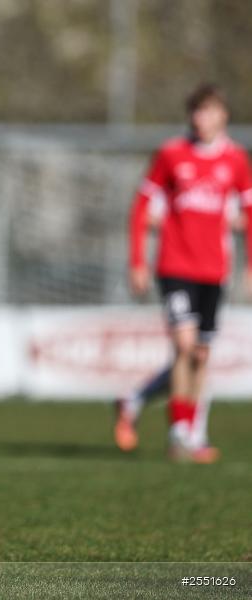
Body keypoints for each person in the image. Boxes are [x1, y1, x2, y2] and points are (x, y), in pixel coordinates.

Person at [124, 83, 252, 462]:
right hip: (175, 266)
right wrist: (137, 261)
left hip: (214, 270)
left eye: (210, 111)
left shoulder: (235, 160)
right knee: (183, 344)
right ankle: (179, 430)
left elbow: (249, 214)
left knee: (200, 353)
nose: (202, 118)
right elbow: (141, 208)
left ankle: (192, 430)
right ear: (190, 116)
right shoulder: (171, 154)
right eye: (197, 111)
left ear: (223, 115)